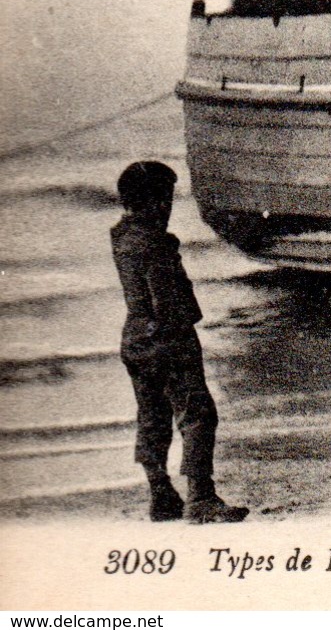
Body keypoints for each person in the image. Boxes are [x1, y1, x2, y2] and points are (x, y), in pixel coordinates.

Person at [110, 161, 250, 524]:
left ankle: (160, 493)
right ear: (157, 202)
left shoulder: (123, 238)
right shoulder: (154, 243)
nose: (169, 207)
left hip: (136, 339)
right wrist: (184, 324)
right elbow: (164, 299)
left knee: (152, 416)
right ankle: (200, 497)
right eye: (166, 199)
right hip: (168, 338)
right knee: (198, 414)